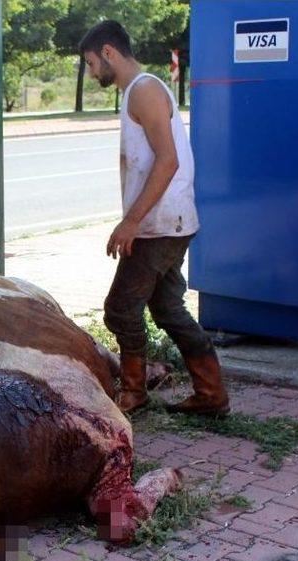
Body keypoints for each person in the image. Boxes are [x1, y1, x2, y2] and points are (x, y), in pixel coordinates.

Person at [78, 21, 229, 417]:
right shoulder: (140, 90)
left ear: (108, 52)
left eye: (92, 63)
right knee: (167, 309)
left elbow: (168, 161)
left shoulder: (143, 90)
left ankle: (134, 393)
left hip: (161, 226)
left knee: (120, 309)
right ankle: (211, 394)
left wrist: (131, 223)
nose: (92, 73)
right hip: (168, 221)